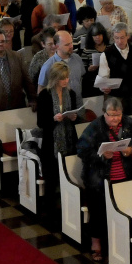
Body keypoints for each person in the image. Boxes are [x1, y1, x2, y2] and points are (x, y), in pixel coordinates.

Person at [77, 98, 132, 261]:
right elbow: (81, 149)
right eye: (111, 115)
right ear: (104, 113)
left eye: (118, 115)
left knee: (124, 211)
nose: (115, 119)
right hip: (99, 179)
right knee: (98, 211)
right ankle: (96, 243)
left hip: (126, 175)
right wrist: (100, 155)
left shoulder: (129, 123)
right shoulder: (95, 126)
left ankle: (119, 244)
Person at [36, 61, 82, 190]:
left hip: (69, 139)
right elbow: (41, 123)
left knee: (69, 174)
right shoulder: (45, 95)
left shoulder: (71, 94)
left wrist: (74, 117)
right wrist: (54, 119)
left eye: (67, 77)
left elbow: (75, 119)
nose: (66, 80)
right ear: (55, 78)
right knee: (52, 177)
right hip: (51, 141)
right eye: (62, 78)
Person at [38, 30, 85, 101]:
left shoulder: (77, 59)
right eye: (67, 45)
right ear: (57, 46)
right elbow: (41, 89)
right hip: (59, 107)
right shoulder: (48, 66)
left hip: (78, 104)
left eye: (71, 43)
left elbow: (81, 78)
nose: (71, 46)